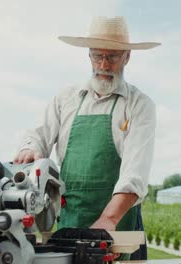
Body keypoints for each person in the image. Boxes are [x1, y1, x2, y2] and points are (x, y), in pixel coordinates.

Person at [14, 16, 160, 260]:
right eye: (96, 55)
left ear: (127, 56)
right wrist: (31, 149)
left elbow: (135, 174)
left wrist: (108, 219)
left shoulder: (139, 105)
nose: (103, 64)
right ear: (88, 55)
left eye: (112, 56)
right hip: (71, 222)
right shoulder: (66, 99)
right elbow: (38, 135)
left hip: (118, 225)